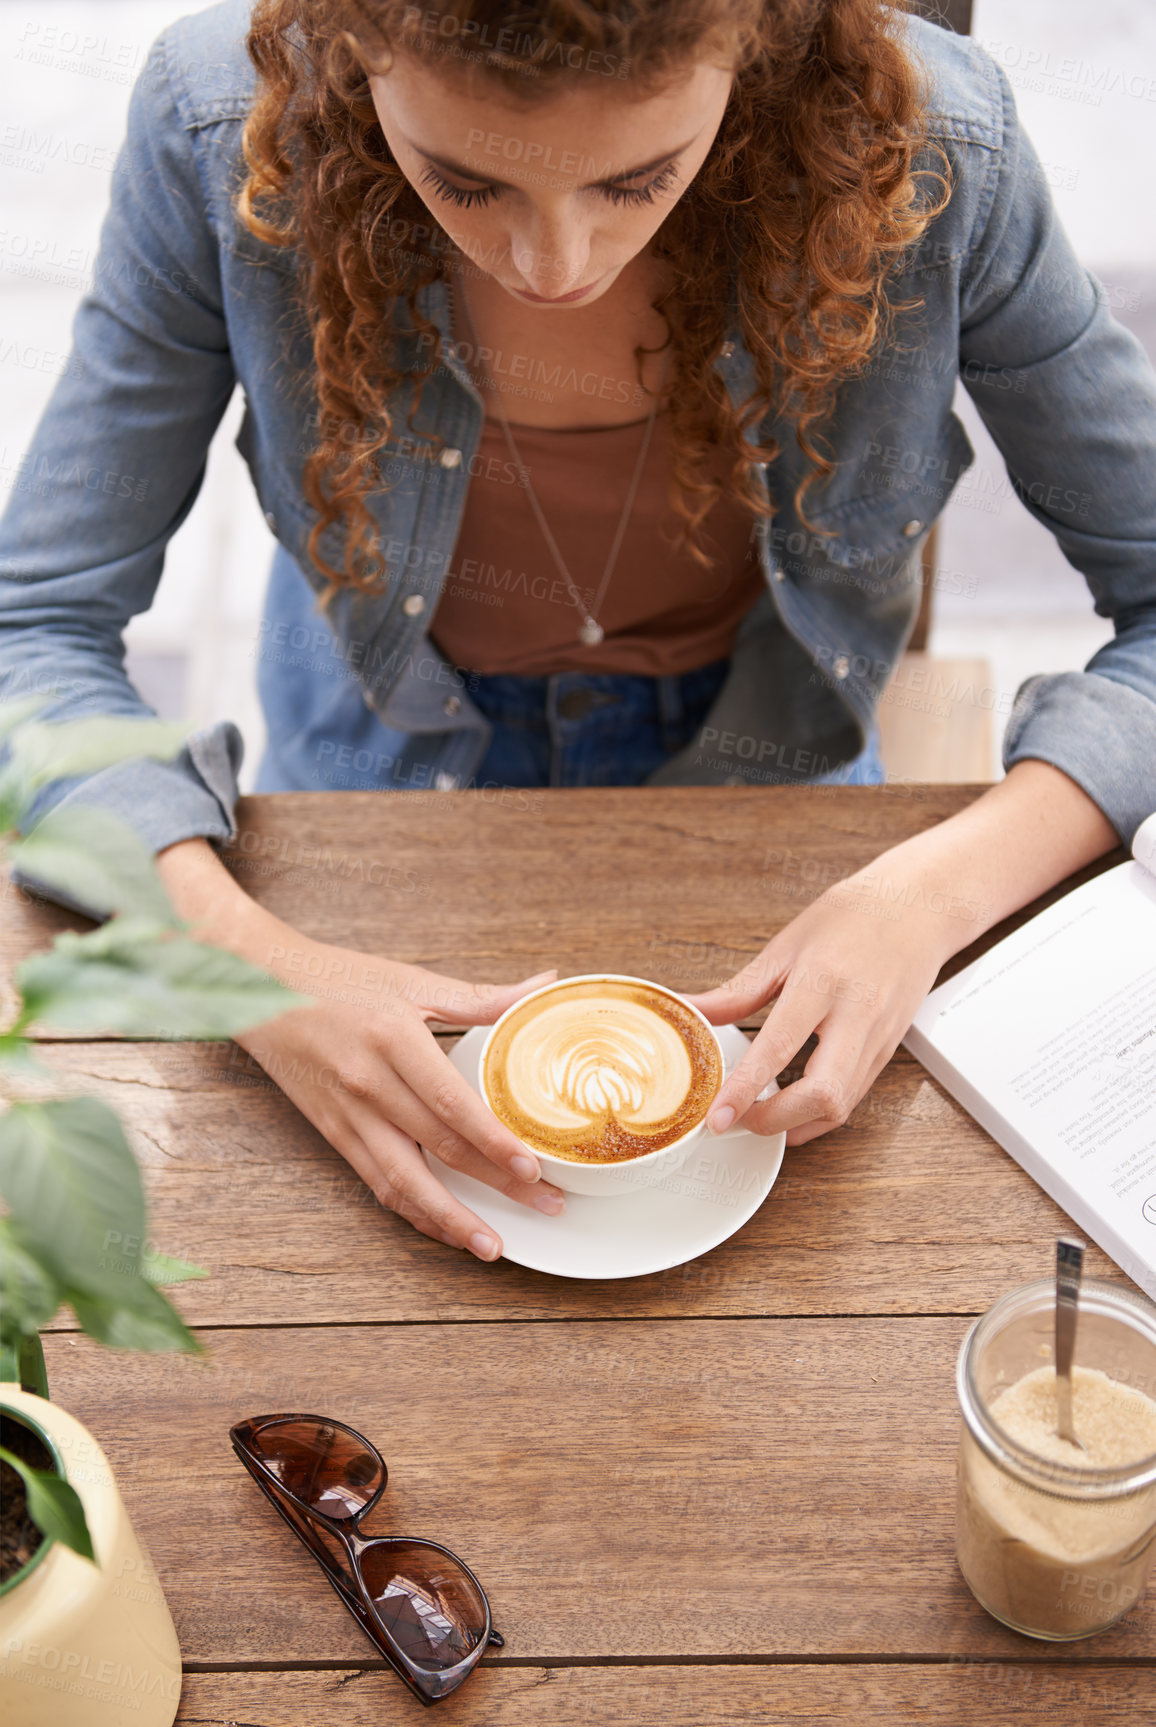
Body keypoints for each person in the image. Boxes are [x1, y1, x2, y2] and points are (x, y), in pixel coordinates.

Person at [1, 0, 1153, 1262]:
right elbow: (36, 627)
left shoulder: (944, 153)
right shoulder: (218, 123)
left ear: (753, 47)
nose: (552, 266)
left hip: (778, 800)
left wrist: (932, 893)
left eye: (638, 178)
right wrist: (245, 966)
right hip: (370, 790)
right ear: (352, 49)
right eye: (461, 179)